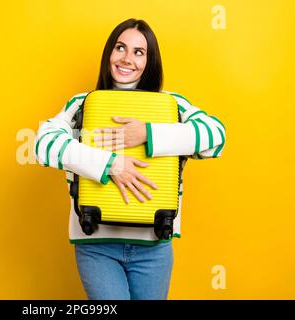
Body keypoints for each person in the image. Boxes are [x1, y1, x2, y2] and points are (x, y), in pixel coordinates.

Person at [34, 18, 226, 300]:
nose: (127, 59)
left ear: (150, 61)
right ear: (109, 53)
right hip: (96, 245)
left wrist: (148, 134)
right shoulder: (82, 104)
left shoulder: (170, 104)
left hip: (154, 248)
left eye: (139, 52)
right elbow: (43, 144)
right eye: (120, 48)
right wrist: (110, 164)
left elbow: (216, 137)